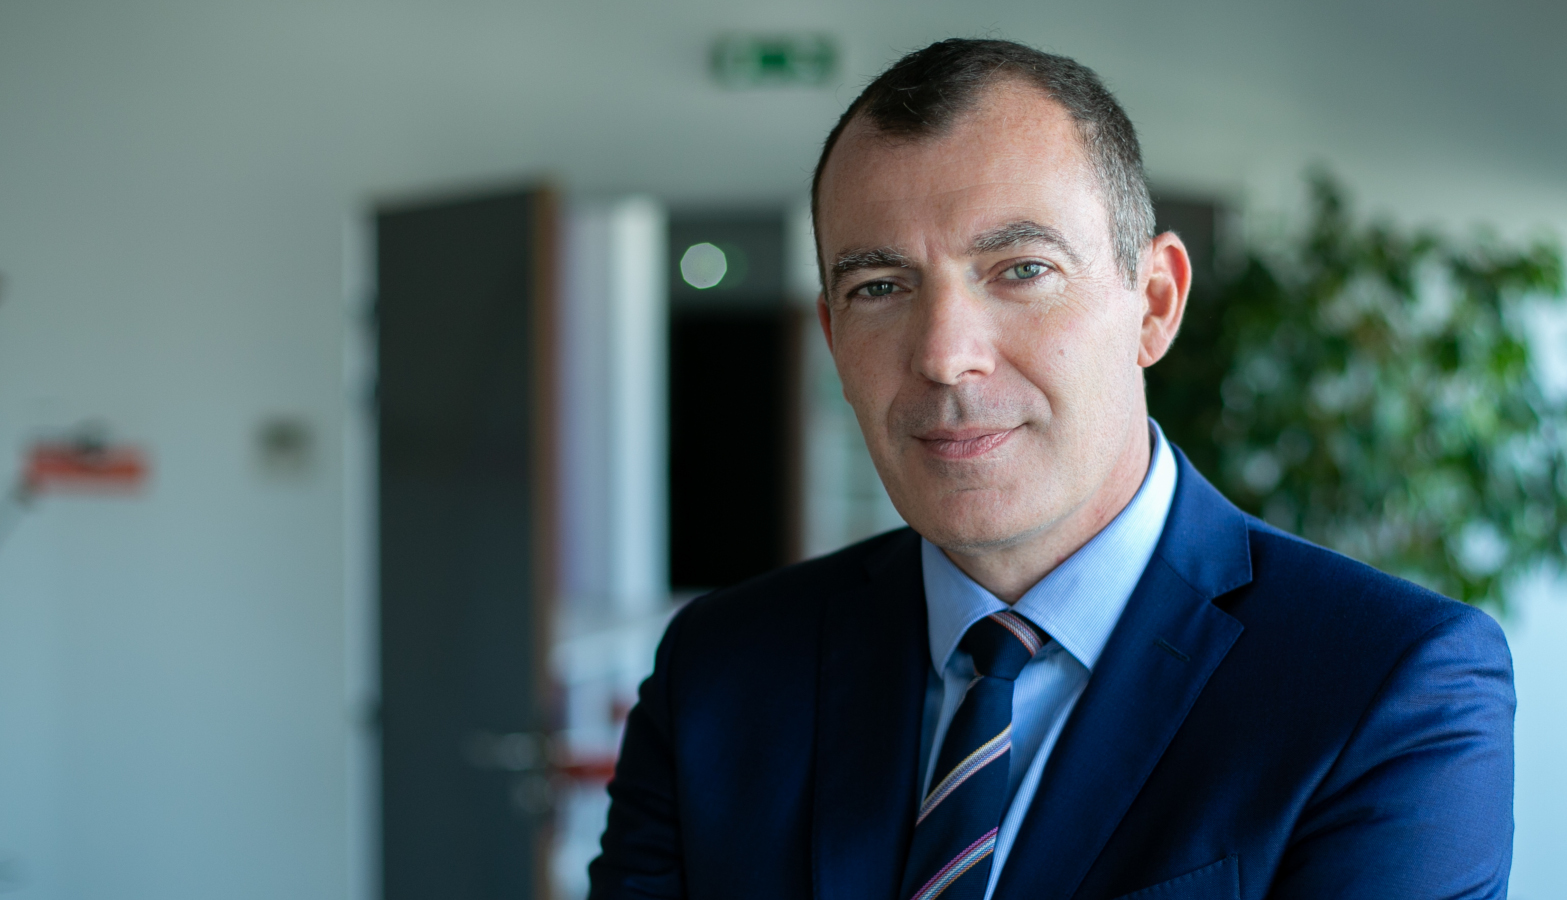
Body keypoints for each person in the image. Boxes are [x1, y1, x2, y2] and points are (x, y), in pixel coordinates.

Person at [590, 38, 1514, 900]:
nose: (945, 356)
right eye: (880, 287)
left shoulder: (1387, 687)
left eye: (1021, 269)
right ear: (833, 339)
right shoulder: (720, 671)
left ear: (1154, 303)